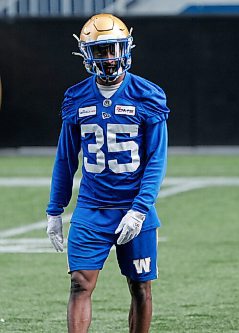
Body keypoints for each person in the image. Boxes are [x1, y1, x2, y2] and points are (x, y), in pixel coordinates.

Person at [45, 14, 169, 333]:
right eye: (100, 51)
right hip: (91, 208)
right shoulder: (76, 96)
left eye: (113, 48)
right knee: (79, 284)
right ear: (87, 55)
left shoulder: (148, 94)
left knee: (140, 288)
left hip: (133, 207)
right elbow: (65, 158)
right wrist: (55, 210)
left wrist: (139, 210)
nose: (109, 57)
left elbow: (156, 159)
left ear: (126, 49)